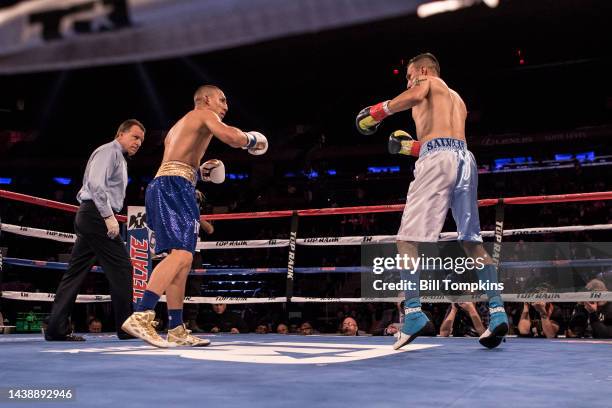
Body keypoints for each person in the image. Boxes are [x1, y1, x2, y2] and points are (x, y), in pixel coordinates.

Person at [356, 53, 508, 350]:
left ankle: (412, 311)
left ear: (423, 70)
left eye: (409, 75)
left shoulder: (427, 81)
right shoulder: (457, 99)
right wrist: (409, 147)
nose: (409, 81)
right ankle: (497, 310)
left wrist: (378, 111)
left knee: (407, 240)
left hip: (439, 159)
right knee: (471, 241)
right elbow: (445, 143)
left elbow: (421, 107)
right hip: (465, 160)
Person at [121, 85, 267, 347]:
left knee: (183, 261)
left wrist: (200, 171)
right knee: (182, 255)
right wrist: (252, 140)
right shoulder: (203, 114)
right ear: (207, 99)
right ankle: (141, 314)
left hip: (174, 184)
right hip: (173, 186)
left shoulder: (180, 126)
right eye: (222, 100)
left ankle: (176, 328)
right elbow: (231, 137)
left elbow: (180, 159)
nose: (225, 105)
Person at [45, 119, 145, 341]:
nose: (138, 143)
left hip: (91, 215)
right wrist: (108, 216)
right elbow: (96, 184)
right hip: (97, 215)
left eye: (141, 140)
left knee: (75, 273)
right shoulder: (109, 151)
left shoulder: (118, 157)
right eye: (135, 137)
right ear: (120, 134)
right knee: (122, 268)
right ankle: (127, 327)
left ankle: (55, 328)